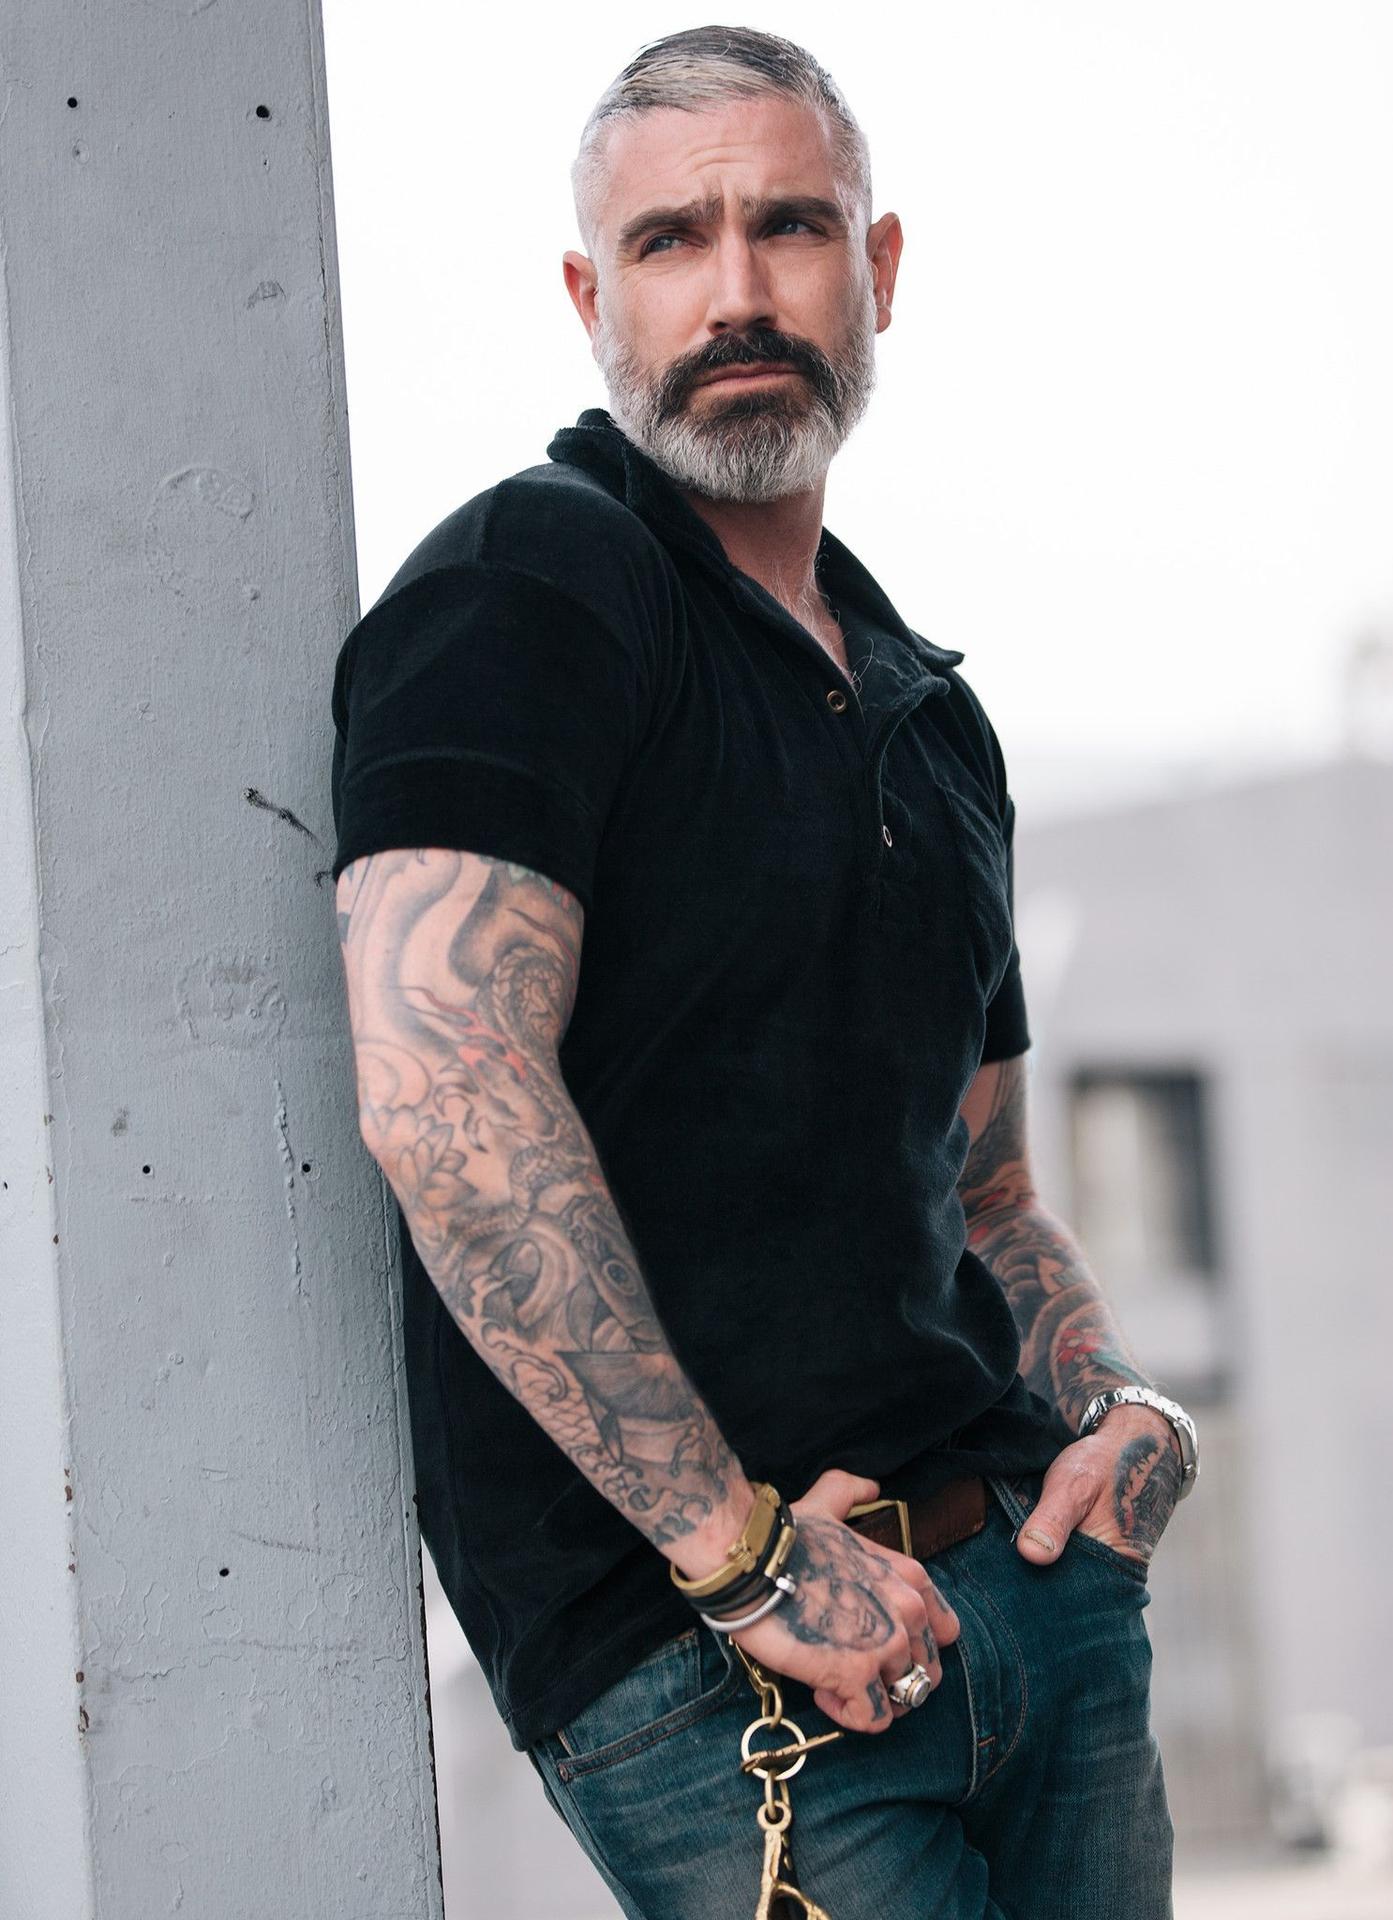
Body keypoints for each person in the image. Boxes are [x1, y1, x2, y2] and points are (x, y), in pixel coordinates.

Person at [328, 25, 1200, 1919]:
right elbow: (446, 1092)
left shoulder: (928, 715)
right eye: (669, 241)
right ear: (592, 300)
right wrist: (736, 1557)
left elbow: (981, 1190)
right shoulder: (525, 589)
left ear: (873, 269)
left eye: (789, 228)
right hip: (715, 1661)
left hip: (1034, 1595)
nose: (735, 291)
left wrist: (1127, 1412)